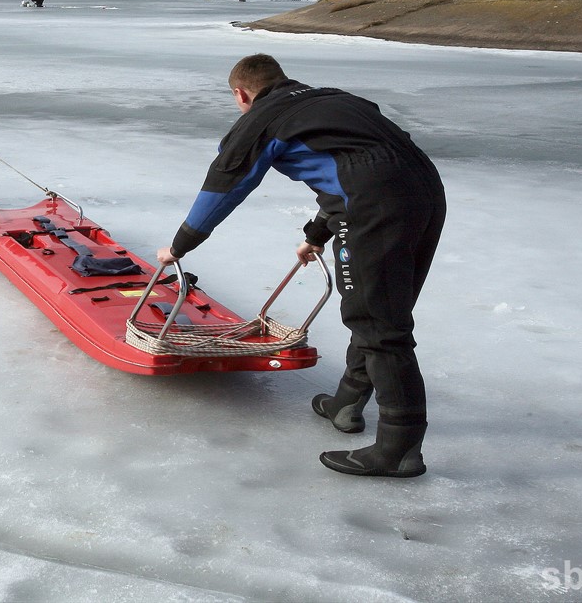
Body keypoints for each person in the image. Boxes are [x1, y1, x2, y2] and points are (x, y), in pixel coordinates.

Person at [157, 54, 446, 478]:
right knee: (381, 311)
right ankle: (347, 402)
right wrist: (316, 234)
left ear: (241, 94)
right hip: (425, 194)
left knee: (380, 326)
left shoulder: (262, 119)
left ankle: (399, 448)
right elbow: (358, 164)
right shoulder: (338, 101)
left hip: (373, 208)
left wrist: (180, 246)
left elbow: (226, 183)